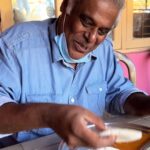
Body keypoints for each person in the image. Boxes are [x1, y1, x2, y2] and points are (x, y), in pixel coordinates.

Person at [0, 0, 150, 149]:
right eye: (86, 22)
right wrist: (50, 115)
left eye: (102, 31)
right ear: (66, 6)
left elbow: (118, 92)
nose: (91, 38)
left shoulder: (104, 50)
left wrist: (145, 103)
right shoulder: (14, 47)